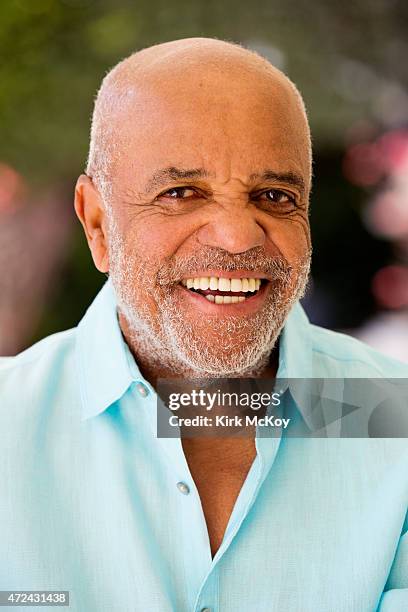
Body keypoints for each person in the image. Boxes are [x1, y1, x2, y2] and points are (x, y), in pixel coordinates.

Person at [0, 37, 407, 612]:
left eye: (274, 195)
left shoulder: (396, 419)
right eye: (181, 193)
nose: (238, 236)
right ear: (96, 223)